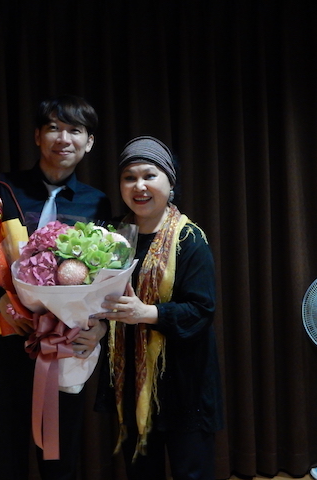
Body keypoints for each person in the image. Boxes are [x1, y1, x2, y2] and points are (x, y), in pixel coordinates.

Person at [0, 95, 112, 480]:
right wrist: (0, 299)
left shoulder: (97, 203)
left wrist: (101, 327)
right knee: (3, 456)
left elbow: (107, 281)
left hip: (66, 348)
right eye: (54, 128)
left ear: (89, 142)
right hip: (9, 341)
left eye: (75, 131)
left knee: (59, 458)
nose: (64, 139)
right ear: (38, 136)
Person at [91, 136, 223, 480]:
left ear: (170, 182)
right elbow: (98, 301)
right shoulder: (112, 238)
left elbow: (201, 310)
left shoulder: (189, 238)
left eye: (149, 175)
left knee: (192, 473)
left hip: (184, 381)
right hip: (131, 379)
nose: (139, 186)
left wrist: (145, 313)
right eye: (129, 177)